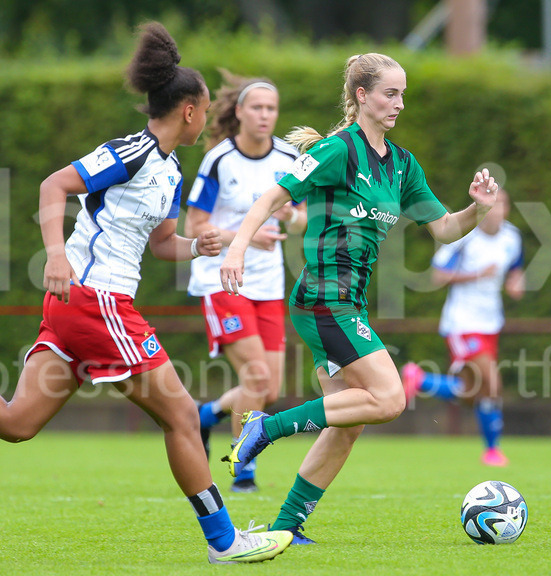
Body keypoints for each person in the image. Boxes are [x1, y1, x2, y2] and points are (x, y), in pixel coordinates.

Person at [0, 22, 292, 565]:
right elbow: (54, 184)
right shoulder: (133, 152)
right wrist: (56, 254)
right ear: (190, 110)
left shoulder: (169, 171)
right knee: (180, 418)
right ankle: (226, 542)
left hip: (80, 308)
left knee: (16, 423)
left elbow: (164, 242)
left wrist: (201, 248)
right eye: (202, 111)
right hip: (96, 301)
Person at [216, 53, 499, 544]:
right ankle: (267, 427)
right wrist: (237, 248)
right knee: (389, 398)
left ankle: (287, 526)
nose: (400, 104)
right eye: (391, 94)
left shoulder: (403, 165)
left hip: (348, 304)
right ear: (362, 96)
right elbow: (270, 198)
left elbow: (446, 229)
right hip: (324, 300)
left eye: (403, 94)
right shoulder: (336, 150)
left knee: (350, 419)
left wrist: (478, 208)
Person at [184, 72, 306, 493]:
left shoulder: (291, 159)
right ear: (238, 112)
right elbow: (196, 223)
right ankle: (243, 467)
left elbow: (304, 216)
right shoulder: (220, 159)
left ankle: (206, 414)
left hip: (268, 286)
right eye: (256, 107)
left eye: (271, 108)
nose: (264, 115)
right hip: (222, 281)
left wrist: (289, 215)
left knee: (269, 389)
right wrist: (249, 235)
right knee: (256, 379)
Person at [401, 189, 525, 467]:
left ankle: (420, 380)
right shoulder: (465, 236)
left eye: (502, 204)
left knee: (471, 394)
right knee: (492, 384)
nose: (496, 210)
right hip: (462, 323)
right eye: (492, 205)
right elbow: (438, 274)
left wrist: (516, 284)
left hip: (491, 323)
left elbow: (516, 270)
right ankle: (492, 450)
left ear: (506, 209)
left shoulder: (512, 237)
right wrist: (477, 274)